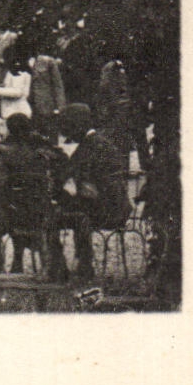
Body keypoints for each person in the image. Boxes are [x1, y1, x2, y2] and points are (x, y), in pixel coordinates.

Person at [0, 113, 64, 277]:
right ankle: (50, 265)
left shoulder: (0, 151)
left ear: (9, 130)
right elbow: (61, 161)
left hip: (7, 216)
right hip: (37, 214)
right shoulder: (40, 151)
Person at [58, 102, 132, 280]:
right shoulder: (97, 143)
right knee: (76, 212)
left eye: (67, 127)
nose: (65, 133)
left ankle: (72, 265)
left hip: (107, 210)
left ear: (77, 125)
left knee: (58, 218)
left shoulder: (91, 148)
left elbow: (79, 182)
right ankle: (78, 264)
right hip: (114, 207)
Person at [0, 55, 33, 129]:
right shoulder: (10, 72)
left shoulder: (21, 73)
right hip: (9, 111)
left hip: (17, 111)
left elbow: (17, 92)